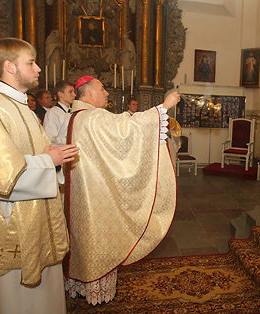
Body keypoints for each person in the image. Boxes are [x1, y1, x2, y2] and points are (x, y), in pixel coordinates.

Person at [0, 37, 79, 314]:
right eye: (30, 63)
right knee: (15, 301)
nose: (39, 68)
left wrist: (51, 157)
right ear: (9, 66)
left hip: (38, 212)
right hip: (12, 218)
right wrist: (48, 160)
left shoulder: (22, 107)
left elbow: (35, 152)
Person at [64, 76, 178, 305]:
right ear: (88, 94)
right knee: (98, 238)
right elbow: (126, 129)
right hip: (95, 194)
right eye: (102, 88)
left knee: (86, 238)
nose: (107, 93)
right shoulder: (91, 117)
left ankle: (81, 286)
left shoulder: (79, 117)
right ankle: (95, 289)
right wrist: (163, 108)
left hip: (88, 190)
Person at [43, 80, 75, 145]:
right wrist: (72, 139)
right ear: (60, 94)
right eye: (70, 92)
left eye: (74, 92)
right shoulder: (52, 113)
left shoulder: (73, 111)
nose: (74, 95)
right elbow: (50, 138)